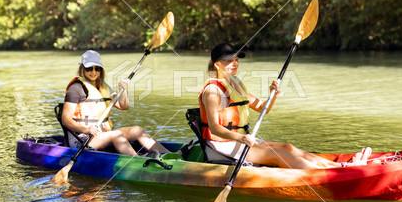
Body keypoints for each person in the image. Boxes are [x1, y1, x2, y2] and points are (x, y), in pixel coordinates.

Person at [199, 43, 371, 169]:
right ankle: (333, 172)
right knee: (279, 155)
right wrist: (243, 138)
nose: (235, 63)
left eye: (236, 60)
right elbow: (214, 129)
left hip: (241, 140)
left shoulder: (236, 85)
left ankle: (340, 167)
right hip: (222, 146)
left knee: (287, 147)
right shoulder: (212, 90)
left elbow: (262, 108)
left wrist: (273, 94)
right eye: (229, 61)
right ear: (217, 64)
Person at [61, 50, 173, 156]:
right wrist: (87, 129)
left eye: (97, 69)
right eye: (89, 68)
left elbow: (124, 106)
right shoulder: (76, 88)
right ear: (83, 68)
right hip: (82, 139)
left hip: (102, 135)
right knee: (116, 135)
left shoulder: (103, 86)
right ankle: (139, 160)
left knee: (137, 130)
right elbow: (65, 120)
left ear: (101, 70)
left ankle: (171, 155)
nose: (94, 72)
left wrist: (123, 90)